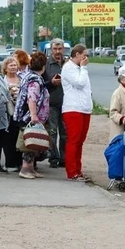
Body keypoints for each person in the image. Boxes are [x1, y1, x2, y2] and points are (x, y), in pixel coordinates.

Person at [14, 52, 50, 180]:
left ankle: (31, 169)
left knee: (33, 142)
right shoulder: (35, 80)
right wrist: (34, 116)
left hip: (29, 115)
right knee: (29, 143)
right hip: (30, 116)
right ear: (44, 66)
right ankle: (25, 169)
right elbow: (32, 98)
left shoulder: (30, 76)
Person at [61, 43, 93, 182]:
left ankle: (78, 170)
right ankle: (72, 172)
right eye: (84, 55)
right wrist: (84, 68)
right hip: (73, 108)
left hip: (84, 108)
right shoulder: (68, 68)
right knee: (73, 140)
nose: (86, 58)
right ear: (77, 55)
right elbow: (80, 83)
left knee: (80, 141)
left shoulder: (79, 68)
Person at [44, 38, 67, 169]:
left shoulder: (68, 63)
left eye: (60, 49)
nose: (58, 52)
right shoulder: (47, 64)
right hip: (51, 103)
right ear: (51, 49)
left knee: (65, 133)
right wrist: (52, 83)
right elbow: (41, 84)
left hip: (67, 104)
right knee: (52, 132)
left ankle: (64, 158)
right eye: (55, 49)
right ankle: (53, 157)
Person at [1, 56, 23, 172]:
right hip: (7, 113)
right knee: (8, 138)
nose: (13, 67)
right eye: (11, 65)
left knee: (20, 137)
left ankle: (20, 163)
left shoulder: (21, 78)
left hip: (20, 113)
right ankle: (10, 163)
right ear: (5, 68)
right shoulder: (2, 80)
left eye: (15, 65)